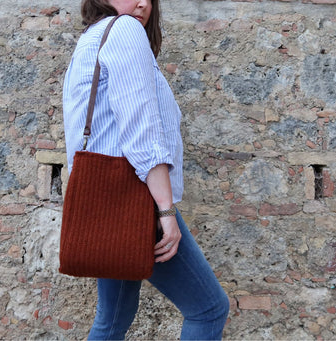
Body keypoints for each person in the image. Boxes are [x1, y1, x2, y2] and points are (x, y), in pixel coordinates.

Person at [62, 0, 230, 339]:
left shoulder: (91, 38)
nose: (142, 3)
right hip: (136, 202)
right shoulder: (124, 31)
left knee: (113, 321)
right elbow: (142, 132)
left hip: (104, 201)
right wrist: (165, 210)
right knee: (209, 309)